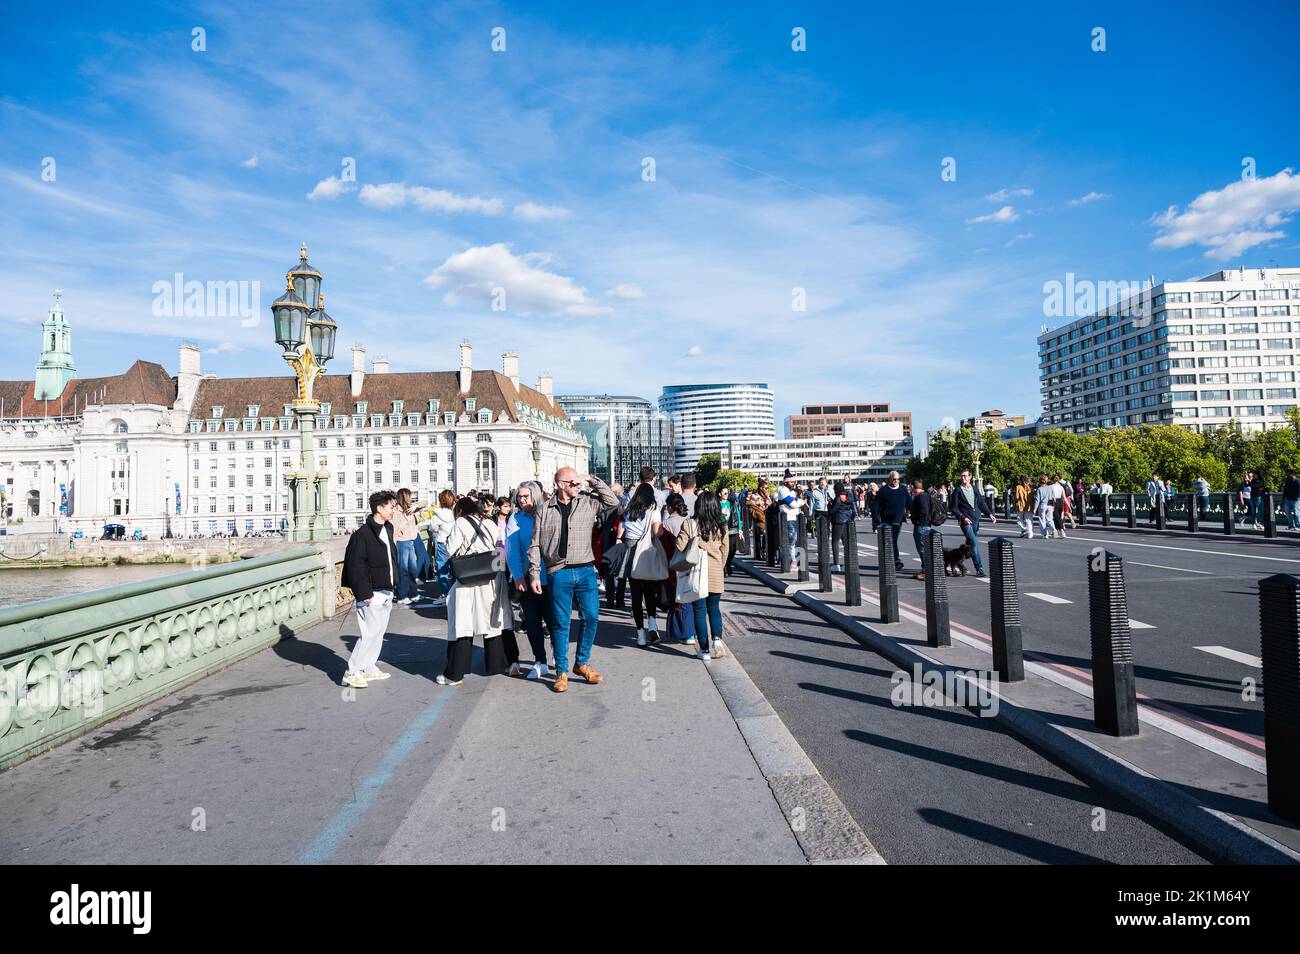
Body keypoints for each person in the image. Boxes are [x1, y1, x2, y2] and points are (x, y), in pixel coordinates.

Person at [528, 468, 620, 693]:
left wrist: (590, 479)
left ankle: (582, 663)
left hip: (586, 570)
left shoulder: (588, 501)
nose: (577, 485)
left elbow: (612, 501)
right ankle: (561, 672)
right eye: (573, 482)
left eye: (578, 482)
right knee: (561, 624)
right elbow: (535, 544)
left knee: (591, 617)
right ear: (560, 484)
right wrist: (533, 573)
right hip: (558, 572)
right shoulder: (544, 509)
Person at [437, 496, 510, 686]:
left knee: (462, 625)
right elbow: (499, 546)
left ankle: (455, 673)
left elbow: (450, 550)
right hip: (490, 577)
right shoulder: (489, 522)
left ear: (459, 510)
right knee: (490, 622)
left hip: (467, 578)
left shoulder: (460, 523)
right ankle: (496, 664)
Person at [340, 491, 400, 689]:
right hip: (371, 593)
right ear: (379, 508)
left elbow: (391, 560)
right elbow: (356, 566)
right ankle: (352, 671)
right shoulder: (362, 535)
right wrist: (364, 593)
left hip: (386, 589)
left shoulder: (387, 529)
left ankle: (368, 667)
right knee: (369, 632)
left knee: (379, 632)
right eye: (391, 507)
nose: (393, 510)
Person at [506, 481, 551, 681]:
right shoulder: (515, 519)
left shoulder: (549, 513)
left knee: (555, 622)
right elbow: (512, 550)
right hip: (527, 578)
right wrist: (517, 576)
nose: (522, 500)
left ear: (536, 496)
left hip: (551, 577)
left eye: (526, 496)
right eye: (519, 497)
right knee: (532, 622)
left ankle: (560, 660)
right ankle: (540, 660)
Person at [677, 490, 728, 660]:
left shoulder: (690, 524)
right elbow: (725, 550)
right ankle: (718, 641)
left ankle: (704, 650)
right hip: (715, 571)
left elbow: (680, 546)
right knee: (714, 608)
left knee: (699, 610)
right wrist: (720, 565)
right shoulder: (721, 525)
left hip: (696, 572)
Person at [619, 483, 665, 647]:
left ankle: (640, 635)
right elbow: (658, 531)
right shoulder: (653, 509)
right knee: (650, 591)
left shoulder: (629, 509)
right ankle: (652, 625)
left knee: (636, 596)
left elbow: (624, 529)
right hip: (646, 552)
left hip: (630, 553)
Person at [950, 468, 995, 576]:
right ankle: (979, 569)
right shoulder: (957, 491)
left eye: (965, 476)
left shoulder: (974, 489)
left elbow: (981, 503)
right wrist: (962, 517)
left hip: (975, 520)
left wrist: (990, 514)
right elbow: (953, 508)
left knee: (969, 546)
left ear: (970, 477)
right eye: (961, 476)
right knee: (974, 544)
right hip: (965, 522)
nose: (963, 478)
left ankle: (954, 561)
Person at [392, 488, 422, 605]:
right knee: (403, 570)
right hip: (402, 542)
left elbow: (425, 503)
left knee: (412, 570)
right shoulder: (397, 512)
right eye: (409, 496)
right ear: (404, 497)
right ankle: (402, 595)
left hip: (411, 540)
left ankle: (413, 593)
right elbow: (394, 529)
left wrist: (416, 506)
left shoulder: (411, 508)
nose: (411, 498)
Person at [875, 470, 909, 571]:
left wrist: (914, 512)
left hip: (897, 520)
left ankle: (896, 561)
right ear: (890, 479)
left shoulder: (903, 489)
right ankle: (892, 561)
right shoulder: (883, 491)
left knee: (893, 540)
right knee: (888, 541)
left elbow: (909, 503)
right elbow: (876, 507)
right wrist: (875, 521)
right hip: (886, 520)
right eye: (894, 479)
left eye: (898, 479)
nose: (896, 481)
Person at [429, 489, 456, 607]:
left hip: (442, 542)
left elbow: (433, 528)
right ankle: (456, 595)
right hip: (454, 542)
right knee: (456, 570)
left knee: (442, 570)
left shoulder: (437, 513)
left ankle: (446, 594)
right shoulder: (456, 512)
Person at [828, 482, 857, 572]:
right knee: (846, 542)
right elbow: (847, 504)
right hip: (847, 520)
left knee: (835, 542)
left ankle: (836, 564)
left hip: (838, 521)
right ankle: (850, 561)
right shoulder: (847, 496)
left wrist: (829, 505)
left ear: (836, 490)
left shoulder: (837, 498)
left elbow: (833, 511)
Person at [908, 479, 931, 579]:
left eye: (910, 486)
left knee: (922, 549)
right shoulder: (925, 495)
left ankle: (926, 571)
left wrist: (914, 516)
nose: (909, 488)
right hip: (924, 525)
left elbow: (924, 511)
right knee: (923, 548)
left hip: (921, 526)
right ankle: (925, 569)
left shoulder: (921, 497)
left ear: (914, 487)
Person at [719, 486, 743, 576]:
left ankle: (728, 563)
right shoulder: (717, 504)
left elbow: (737, 515)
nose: (726, 495)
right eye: (724, 493)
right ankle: (724, 567)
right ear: (719, 494)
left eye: (727, 493)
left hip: (732, 529)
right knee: (723, 549)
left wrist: (740, 529)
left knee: (732, 550)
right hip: (721, 530)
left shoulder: (732, 503)